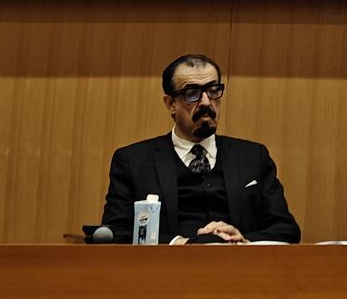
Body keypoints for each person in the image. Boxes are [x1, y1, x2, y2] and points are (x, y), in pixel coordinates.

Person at [99, 54, 299, 243]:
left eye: (213, 91)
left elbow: (287, 229)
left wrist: (241, 240)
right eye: (192, 93)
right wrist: (180, 243)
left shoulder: (253, 157)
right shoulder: (133, 161)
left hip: (239, 269)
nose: (206, 102)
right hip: (166, 271)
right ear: (170, 104)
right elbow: (115, 232)